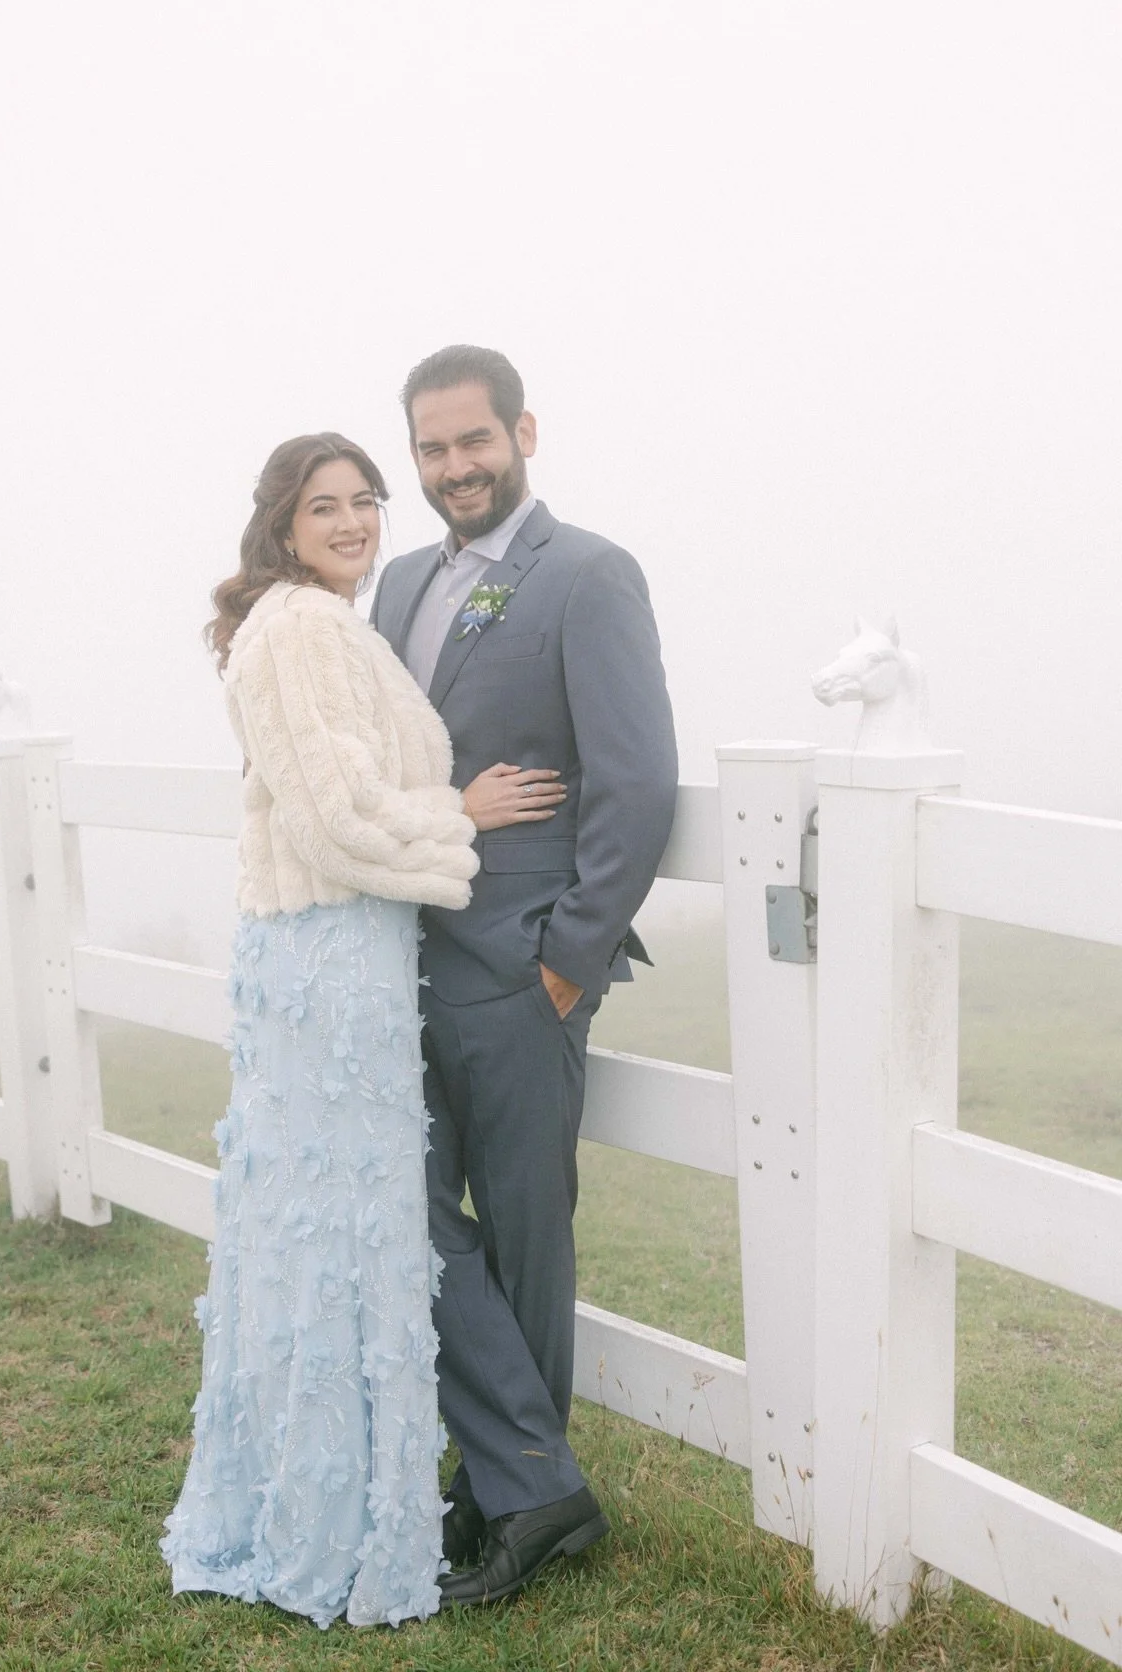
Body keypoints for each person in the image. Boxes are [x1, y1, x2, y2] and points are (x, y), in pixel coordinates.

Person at [161, 432, 496, 1630]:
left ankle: (322, 1502)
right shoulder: (299, 629)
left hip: (334, 951)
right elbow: (336, 816)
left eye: (366, 501)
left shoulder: (319, 620)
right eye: (325, 506)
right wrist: (457, 819)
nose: (353, 522)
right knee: (339, 1236)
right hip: (328, 954)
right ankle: (327, 1526)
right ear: (284, 526)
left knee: (327, 1233)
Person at [371, 346, 679, 1607]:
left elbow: (635, 781)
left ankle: (509, 1491)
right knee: (406, 1216)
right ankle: (527, 1476)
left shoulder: (589, 576)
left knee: (525, 1244)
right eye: (433, 450)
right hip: (404, 962)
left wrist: (570, 964)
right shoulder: (392, 585)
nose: (454, 469)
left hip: (521, 971)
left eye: (472, 443)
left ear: (523, 433)